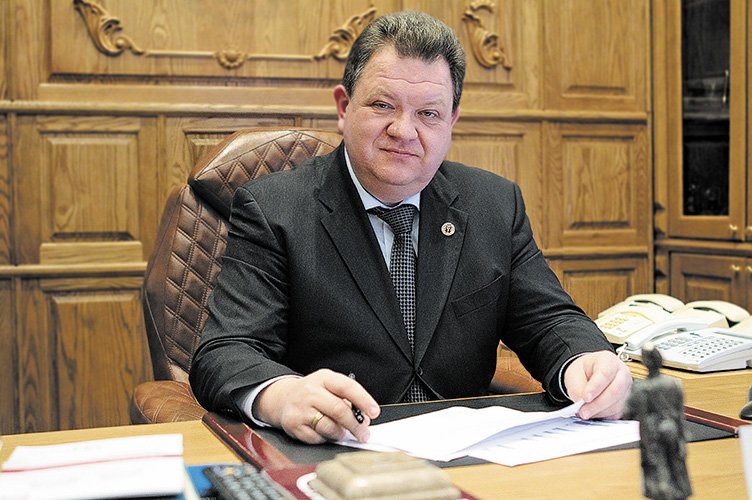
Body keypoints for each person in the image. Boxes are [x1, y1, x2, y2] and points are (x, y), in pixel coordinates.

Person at [190, 10, 632, 445]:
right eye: (383, 105)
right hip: (337, 453)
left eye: (429, 114)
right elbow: (226, 351)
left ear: (451, 121)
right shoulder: (275, 210)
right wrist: (281, 395)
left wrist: (586, 361)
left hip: (471, 454)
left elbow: (550, 319)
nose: (404, 130)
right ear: (344, 107)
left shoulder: (494, 205)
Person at [623, 343, 692, 500]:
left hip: (652, 433)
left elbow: (627, 413)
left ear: (645, 362)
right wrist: (682, 436)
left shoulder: (640, 388)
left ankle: (662, 491)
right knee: (675, 462)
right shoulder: (674, 384)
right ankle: (679, 491)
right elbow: (679, 413)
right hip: (673, 429)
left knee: (657, 466)